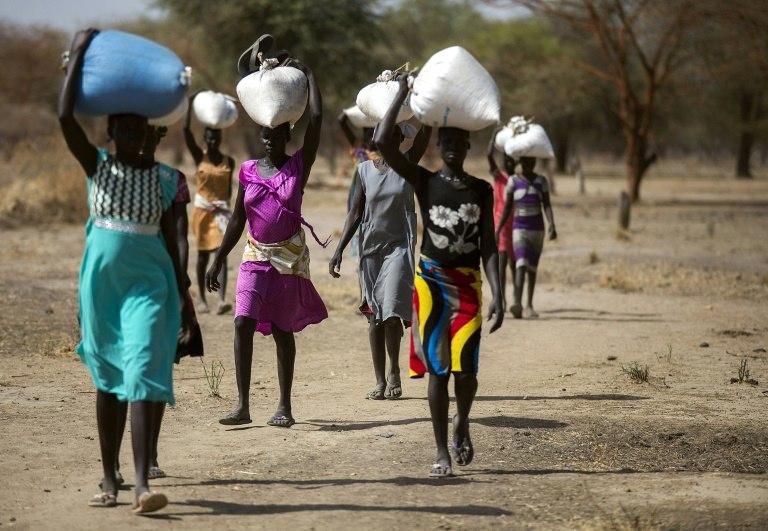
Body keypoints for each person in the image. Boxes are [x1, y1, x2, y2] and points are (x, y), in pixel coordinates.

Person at [59, 29, 194, 513]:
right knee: (108, 380)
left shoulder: (165, 180)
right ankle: (109, 476)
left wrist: (184, 298)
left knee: (140, 372)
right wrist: (76, 57)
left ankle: (141, 484)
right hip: (102, 290)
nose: (137, 141)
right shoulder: (96, 167)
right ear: (111, 134)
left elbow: (176, 248)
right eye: (128, 133)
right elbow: (64, 115)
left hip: (149, 287)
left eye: (143, 133)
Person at [374, 76, 504, 478]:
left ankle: (462, 421)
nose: (450, 147)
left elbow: (487, 245)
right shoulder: (424, 181)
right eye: (443, 141)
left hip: (468, 286)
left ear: (467, 147)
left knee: (467, 370)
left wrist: (499, 292)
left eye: (457, 142)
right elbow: (383, 143)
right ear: (437, 146)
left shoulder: (481, 190)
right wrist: (399, 94)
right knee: (438, 370)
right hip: (430, 283)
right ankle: (440, 450)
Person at [208, 58, 327, 428]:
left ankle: (284, 406)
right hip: (255, 254)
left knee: (280, 329)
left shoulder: (298, 167)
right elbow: (238, 219)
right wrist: (217, 257)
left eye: (275, 134)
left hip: (288, 259)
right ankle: (242, 405)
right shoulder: (246, 171)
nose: (268, 139)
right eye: (264, 134)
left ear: (287, 135)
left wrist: (310, 75)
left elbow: (318, 123)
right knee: (242, 322)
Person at [329, 122, 431, 400]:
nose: (389, 139)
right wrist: (339, 249)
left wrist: (423, 103)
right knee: (373, 316)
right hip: (370, 249)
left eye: (395, 135)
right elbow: (355, 213)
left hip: (398, 247)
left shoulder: (408, 164)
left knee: (391, 312)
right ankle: (379, 379)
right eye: (384, 135)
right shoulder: (363, 170)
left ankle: (394, 371)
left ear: (401, 139)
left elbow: (424, 135)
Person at [184, 98, 235, 315]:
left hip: (221, 212)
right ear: (204, 138)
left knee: (221, 254)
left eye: (216, 137)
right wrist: (188, 104)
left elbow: (230, 190)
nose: (212, 140)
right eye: (209, 137)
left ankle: (222, 299)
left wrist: (227, 209)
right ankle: (203, 300)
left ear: (220, 137)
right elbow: (186, 131)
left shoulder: (229, 161)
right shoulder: (199, 157)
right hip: (202, 213)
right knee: (203, 255)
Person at [495, 156, 557, 319]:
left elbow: (547, 204)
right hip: (519, 229)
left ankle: (529, 304)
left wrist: (552, 224)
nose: (527, 165)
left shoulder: (541, 181)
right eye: (524, 162)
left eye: (530, 162)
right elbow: (507, 207)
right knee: (521, 264)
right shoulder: (513, 181)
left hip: (537, 230)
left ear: (535, 162)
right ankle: (517, 303)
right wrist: (498, 228)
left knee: (532, 269)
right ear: (519, 162)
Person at [487, 131, 516, 310]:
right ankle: (502, 299)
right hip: (501, 224)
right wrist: (495, 134)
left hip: (517, 224)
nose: (508, 163)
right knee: (502, 263)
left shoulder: (518, 180)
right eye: (506, 159)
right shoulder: (500, 176)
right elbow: (489, 155)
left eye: (512, 160)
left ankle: (516, 299)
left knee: (514, 264)